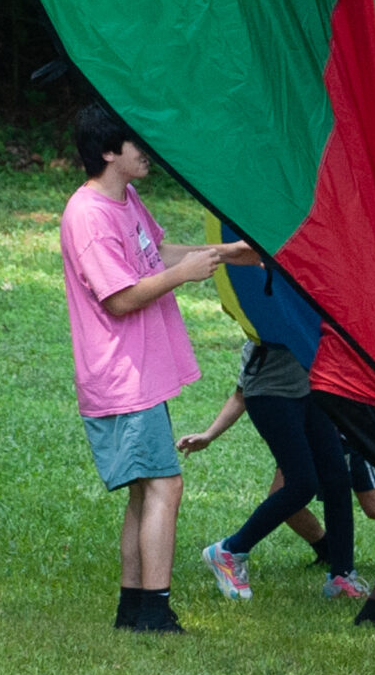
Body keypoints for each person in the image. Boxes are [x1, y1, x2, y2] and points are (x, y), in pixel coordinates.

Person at [59, 103, 251, 634]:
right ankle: (154, 612)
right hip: (121, 376)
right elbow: (119, 298)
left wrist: (223, 253)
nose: (146, 151)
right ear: (107, 153)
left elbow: (157, 251)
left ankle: (134, 609)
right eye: (135, 143)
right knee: (166, 488)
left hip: (142, 373)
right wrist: (187, 276)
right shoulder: (89, 217)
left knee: (147, 491)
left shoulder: (126, 199)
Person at [180, 331, 363, 603]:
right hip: (271, 396)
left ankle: (341, 576)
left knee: (336, 479)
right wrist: (209, 434)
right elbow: (241, 395)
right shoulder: (262, 332)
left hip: (310, 393)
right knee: (302, 485)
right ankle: (229, 551)